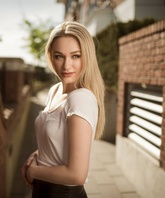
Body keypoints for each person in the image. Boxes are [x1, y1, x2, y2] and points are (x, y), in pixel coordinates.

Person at [21, 21, 105, 198]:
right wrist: (36, 155)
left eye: (75, 56)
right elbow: (56, 140)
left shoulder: (80, 99)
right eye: (59, 56)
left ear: (87, 57)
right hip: (43, 190)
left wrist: (33, 172)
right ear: (51, 57)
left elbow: (77, 175)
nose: (67, 66)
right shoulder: (55, 90)